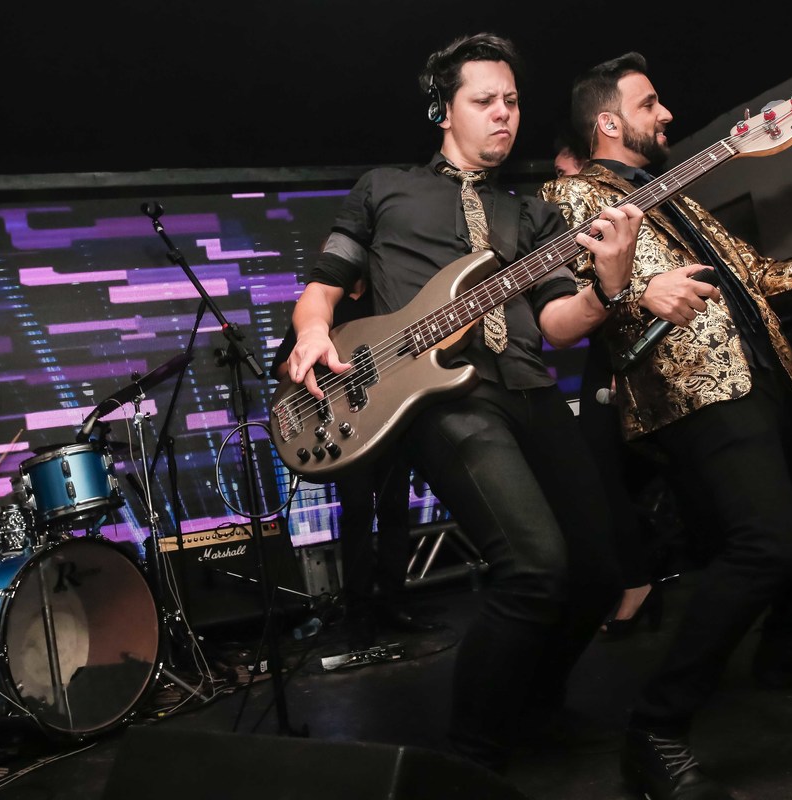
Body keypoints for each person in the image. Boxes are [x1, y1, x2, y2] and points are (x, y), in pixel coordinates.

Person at [540, 53, 792, 800]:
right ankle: (656, 730)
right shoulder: (570, 194)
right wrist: (637, 293)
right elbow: (595, 295)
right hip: (694, 391)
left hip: (767, 376)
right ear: (608, 122)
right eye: (650, 104)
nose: (667, 116)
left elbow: (764, 278)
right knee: (767, 544)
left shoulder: (678, 201)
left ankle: (786, 647)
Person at [282, 33, 642, 771]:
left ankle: (537, 706)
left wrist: (608, 287)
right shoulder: (385, 189)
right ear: (443, 111)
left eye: (512, 101)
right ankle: (471, 756)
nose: (503, 114)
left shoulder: (531, 215)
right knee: (534, 567)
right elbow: (324, 285)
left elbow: (556, 324)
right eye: (484, 101)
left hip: (529, 387)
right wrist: (313, 331)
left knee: (599, 571)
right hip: (442, 397)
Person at [271, 291, 440, 651]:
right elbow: (283, 367)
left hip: (389, 422)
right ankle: (359, 612)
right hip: (345, 432)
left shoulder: (384, 295)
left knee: (395, 511)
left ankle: (394, 603)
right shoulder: (323, 307)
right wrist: (323, 367)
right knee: (358, 512)